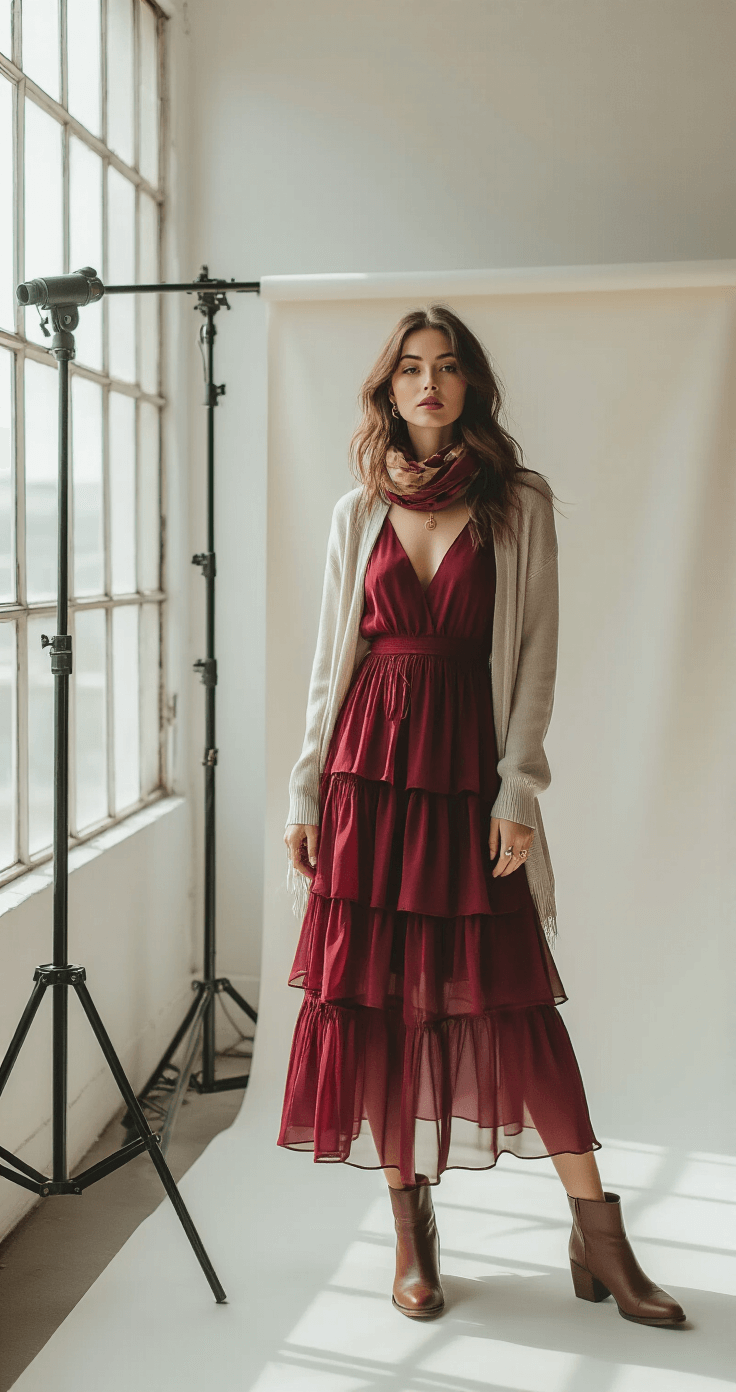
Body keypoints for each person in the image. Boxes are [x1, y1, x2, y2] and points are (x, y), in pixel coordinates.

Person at [279, 305, 685, 1330]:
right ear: (387, 389)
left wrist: (519, 792)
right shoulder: (354, 509)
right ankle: (411, 1232)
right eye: (409, 368)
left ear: (470, 388)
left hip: (467, 774)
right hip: (366, 779)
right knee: (377, 1003)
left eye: (447, 367)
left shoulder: (517, 503)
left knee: (511, 1004)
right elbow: (329, 669)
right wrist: (303, 790)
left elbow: (535, 656)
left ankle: (599, 1235)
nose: (428, 383)